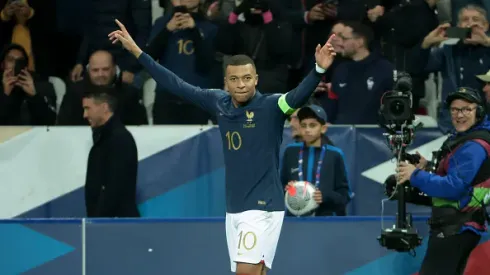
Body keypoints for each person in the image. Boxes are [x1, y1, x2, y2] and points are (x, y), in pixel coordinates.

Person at [109, 19, 336, 275]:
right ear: (226, 82)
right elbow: (176, 84)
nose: (241, 84)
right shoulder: (218, 102)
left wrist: (318, 69)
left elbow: (297, 95)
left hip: (261, 207)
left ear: (256, 79)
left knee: (245, 273)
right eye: (235, 79)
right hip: (234, 209)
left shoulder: (272, 107)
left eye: (247, 78)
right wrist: (138, 52)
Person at [397, 87, 490, 275]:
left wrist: (415, 175)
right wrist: (429, 167)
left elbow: (454, 187)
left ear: (478, 112)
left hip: (456, 228)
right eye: (455, 110)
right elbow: (458, 177)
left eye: (466, 109)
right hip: (456, 227)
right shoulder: (464, 140)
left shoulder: (473, 146)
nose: (459, 115)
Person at [281, 104, 351, 216]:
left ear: (323, 128)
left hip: (325, 221)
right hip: (295, 221)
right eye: (304, 125)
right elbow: (280, 185)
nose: (307, 130)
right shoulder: (290, 152)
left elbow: (345, 195)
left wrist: (325, 196)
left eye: (313, 125)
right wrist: (287, 189)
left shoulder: (334, 154)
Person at [83, 85, 140, 218]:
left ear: (104, 107)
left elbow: (114, 189)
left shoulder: (119, 139)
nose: (84, 115)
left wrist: (98, 222)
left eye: (88, 108)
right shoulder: (106, 138)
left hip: (116, 227)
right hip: (108, 224)